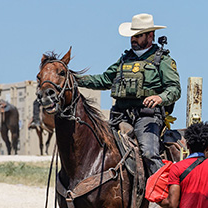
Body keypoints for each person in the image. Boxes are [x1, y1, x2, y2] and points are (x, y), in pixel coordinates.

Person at [77, 13, 180, 177]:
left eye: (138, 36)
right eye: (132, 35)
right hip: (120, 117)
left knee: (148, 153)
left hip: (147, 117)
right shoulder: (124, 59)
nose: (133, 39)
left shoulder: (163, 60)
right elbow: (105, 79)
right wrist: (76, 79)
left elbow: (174, 89)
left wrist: (160, 98)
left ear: (150, 35)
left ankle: (165, 191)